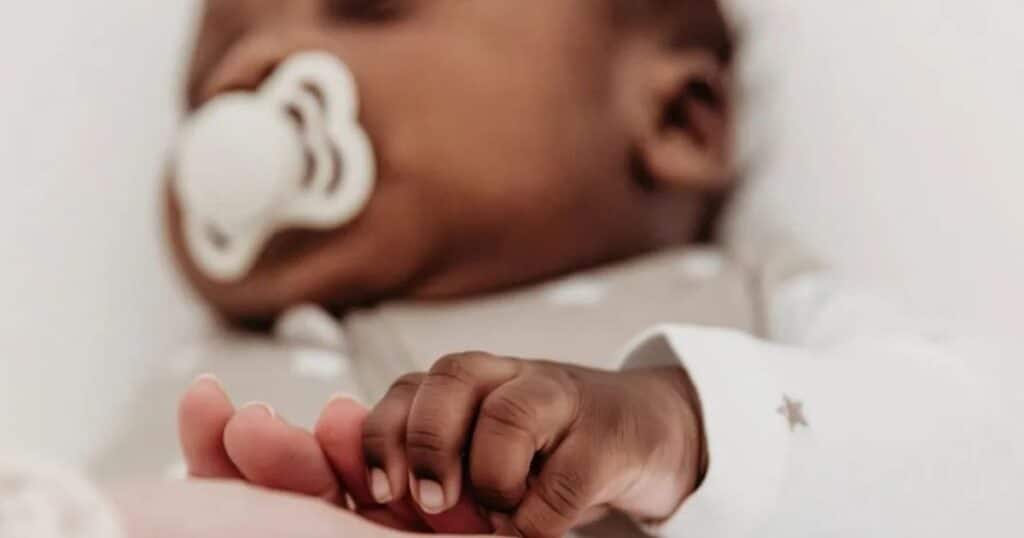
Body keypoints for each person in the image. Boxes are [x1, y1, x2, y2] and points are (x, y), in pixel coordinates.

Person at [155, 0, 1017, 536]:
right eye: (205, 86)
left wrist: (684, 427)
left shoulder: (750, 304)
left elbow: (981, 451)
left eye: (369, 6)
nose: (246, 78)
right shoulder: (208, 382)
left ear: (680, 122)